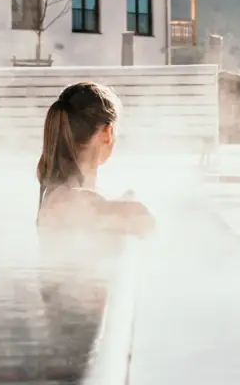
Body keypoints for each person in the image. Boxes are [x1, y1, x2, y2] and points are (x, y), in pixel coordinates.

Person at [36, 81, 154, 381]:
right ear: (107, 133)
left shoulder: (64, 194)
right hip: (78, 354)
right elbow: (144, 220)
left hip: (75, 343)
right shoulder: (70, 200)